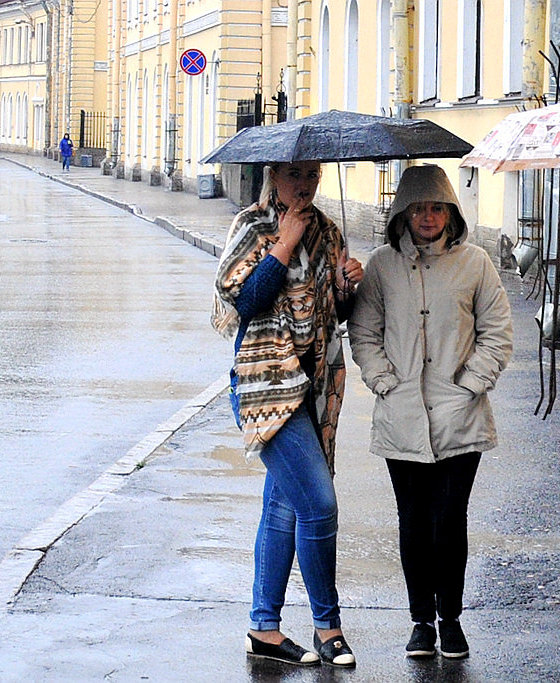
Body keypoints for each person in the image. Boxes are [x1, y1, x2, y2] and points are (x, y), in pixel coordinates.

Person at [348, 164, 513, 660]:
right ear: (403, 212)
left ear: (451, 213)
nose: (428, 216)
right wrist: (383, 381)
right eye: (418, 207)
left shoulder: (476, 263)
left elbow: (497, 329)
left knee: (449, 520)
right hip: (401, 418)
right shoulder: (381, 265)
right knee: (413, 522)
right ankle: (420, 619)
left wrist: (471, 384)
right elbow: (364, 331)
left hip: (460, 417)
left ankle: (452, 619)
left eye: (437, 206)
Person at [211, 160, 365, 668]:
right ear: (274, 176)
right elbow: (243, 299)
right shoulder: (253, 226)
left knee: (282, 508)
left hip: (314, 387)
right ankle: (329, 627)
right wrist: (283, 244)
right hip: (265, 386)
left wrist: (346, 285)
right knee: (319, 505)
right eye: (294, 175)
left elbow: (333, 315)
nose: (303, 185)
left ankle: (264, 629)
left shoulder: (327, 230)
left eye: (312, 177)